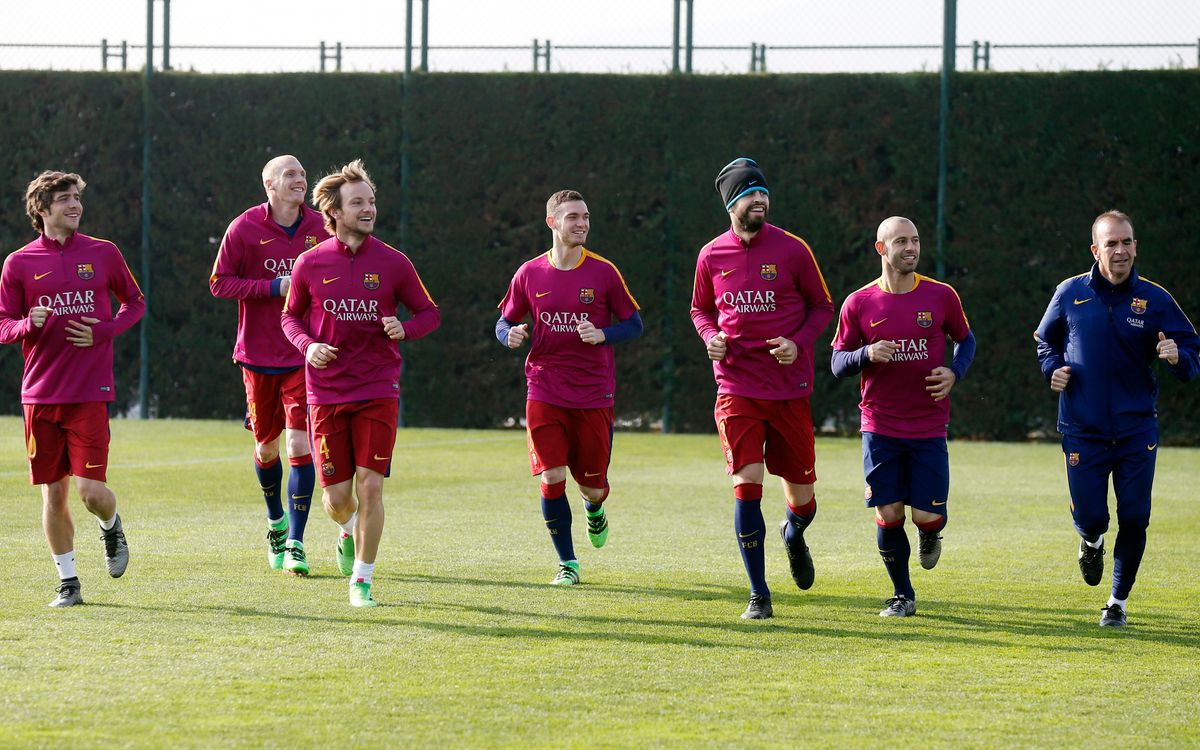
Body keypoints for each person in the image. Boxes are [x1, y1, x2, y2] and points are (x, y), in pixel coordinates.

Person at [281, 159, 440, 607]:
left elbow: (429, 313)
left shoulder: (394, 262)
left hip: (378, 389)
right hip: (326, 393)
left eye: (371, 201)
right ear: (334, 212)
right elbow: (290, 317)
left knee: (371, 486)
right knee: (336, 499)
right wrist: (308, 346)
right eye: (358, 203)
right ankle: (348, 529)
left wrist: (405, 328)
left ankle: (362, 580)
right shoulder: (310, 263)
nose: (368, 209)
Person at [1034, 210, 1199, 627]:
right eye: (1111, 243)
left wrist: (1178, 357)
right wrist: (1052, 368)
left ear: (1135, 247)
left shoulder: (1156, 299)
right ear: (1096, 249)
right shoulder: (1070, 292)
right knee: (1092, 517)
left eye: (1127, 242)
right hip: (1082, 429)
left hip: (1135, 430)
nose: (1120, 250)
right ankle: (1091, 541)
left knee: (1136, 517)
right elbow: (1044, 341)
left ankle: (1117, 603)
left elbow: (1191, 354)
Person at [690, 158, 834, 620]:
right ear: (731, 204)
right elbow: (700, 309)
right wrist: (710, 336)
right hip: (736, 387)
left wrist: (797, 343)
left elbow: (822, 306)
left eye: (763, 193)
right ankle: (758, 594)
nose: (760, 200)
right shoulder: (711, 255)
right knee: (746, 483)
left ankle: (794, 532)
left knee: (803, 499)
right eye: (750, 194)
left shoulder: (793, 249)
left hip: (789, 389)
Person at [0, 171, 145, 607]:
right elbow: (3, 324)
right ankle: (68, 583)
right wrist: (27, 325)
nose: (75, 205)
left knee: (90, 493)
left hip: (89, 392)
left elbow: (135, 303)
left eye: (77, 197)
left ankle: (111, 526)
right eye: (64, 199)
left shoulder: (103, 252)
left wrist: (104, 331)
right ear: (42, 209)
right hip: (40, 395)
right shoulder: (18, 263)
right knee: (53, 493)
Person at [495, 190, 643, 586]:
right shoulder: (529, 273)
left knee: (592, 488)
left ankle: (594, 509)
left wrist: (603, 334)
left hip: (593, 393)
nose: (582, 223)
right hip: (544, 388)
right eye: (573, 217)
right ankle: (568, 563)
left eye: (586, 217)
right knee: (551, 475)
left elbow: (634, 324)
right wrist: (509, 335)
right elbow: (504, 321)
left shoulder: (604, 272)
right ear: (552, 222)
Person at [831, 216, 975, 618]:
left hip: (928, 426)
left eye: (915, 240)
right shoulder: (859, 303)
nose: (911, 248)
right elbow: (837, 363)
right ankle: (902, 595)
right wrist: (866, 353)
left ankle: (931, 533)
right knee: (889, 512)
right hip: (880, 426)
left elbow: (966, 340)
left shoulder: (941, 295)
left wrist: (955, 372)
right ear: (881, 249)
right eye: (901, 242)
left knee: (927, 516)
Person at [210, 155, 330, 576]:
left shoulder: (322, 226)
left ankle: (296, 541)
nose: (300, 179)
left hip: (303, 354)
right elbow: (219, 283)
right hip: (258, 357)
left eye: (302, 173)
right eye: (290, 174)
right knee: (266, 448)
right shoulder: (244, 227)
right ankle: (276, 520)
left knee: (300, 446)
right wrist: (274, 286)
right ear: (269, 185)